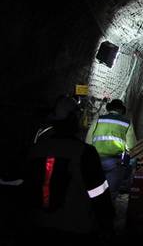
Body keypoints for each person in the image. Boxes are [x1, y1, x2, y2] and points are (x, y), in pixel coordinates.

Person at [24, 96, 114, 243]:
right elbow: (98, 193)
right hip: (74, 227)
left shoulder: (35, 150)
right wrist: (106, 224)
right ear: (74, 120)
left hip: (39, 225)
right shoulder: (84, 152)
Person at [85, 99, 137, 201]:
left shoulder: (98, 120)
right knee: (111, 192)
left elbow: (88, 141)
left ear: (109, 109)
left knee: (95, 191)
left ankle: (94, 211)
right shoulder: (127, 123)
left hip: (96, 160)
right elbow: (130, 145)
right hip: (115, 163)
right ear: (121, 110)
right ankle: (107, 212)